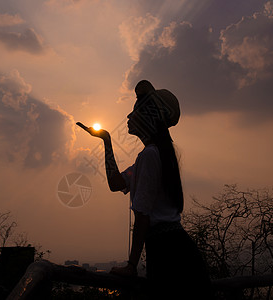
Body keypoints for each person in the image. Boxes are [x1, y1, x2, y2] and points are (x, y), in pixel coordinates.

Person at [78, 80, 213, 299]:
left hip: (168, 251)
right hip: (171, 248)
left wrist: (131, 265)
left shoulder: (150, 155)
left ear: (150, 119)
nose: (129, 118)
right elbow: (116, 183)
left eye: (135, 113)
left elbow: (142, 216)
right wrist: (107, 141)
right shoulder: (149, 156)